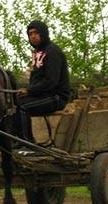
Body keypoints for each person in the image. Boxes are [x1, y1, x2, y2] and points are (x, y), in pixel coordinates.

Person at [16, 20, 71, 149]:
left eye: (36, 33)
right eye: (30, 34)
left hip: (56, 97)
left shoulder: (53, 52)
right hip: (43, 95)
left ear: (43, 33)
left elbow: (51, 81)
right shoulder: (37, 53)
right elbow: (36, 79)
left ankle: (28, 144)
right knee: (13, 104)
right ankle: (17, 139)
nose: (33, 36)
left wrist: (29, 91)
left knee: (22, 107)